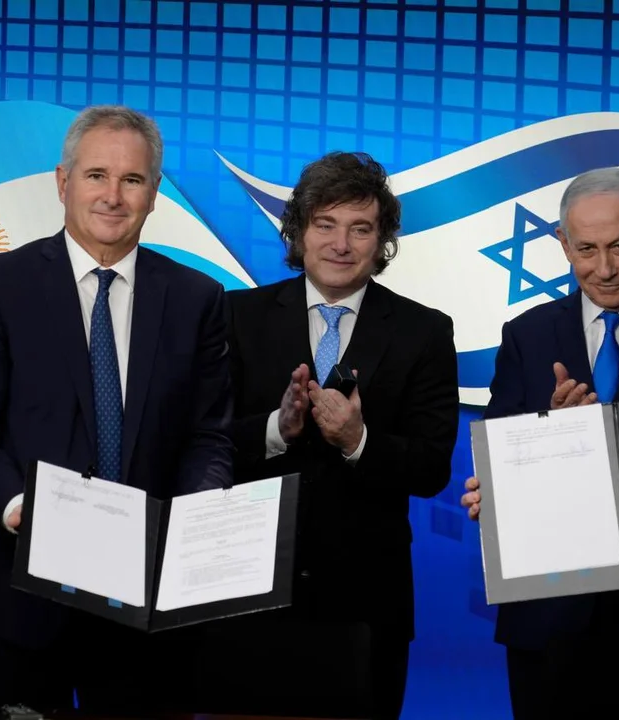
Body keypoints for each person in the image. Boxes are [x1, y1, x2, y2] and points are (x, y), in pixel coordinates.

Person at [0, 105, 234, 714]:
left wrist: (195, 517)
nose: (113, 196)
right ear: (63, 181)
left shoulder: (196, 298)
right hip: (14, 594)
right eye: (97, 174)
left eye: (132, 180)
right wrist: (21, 509)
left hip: (145, 608)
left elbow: (210, 436)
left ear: (154, 193)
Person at [197, 151, 460, 720]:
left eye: (360, 228)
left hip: (366, 607)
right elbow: (201, 441)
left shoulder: (425, 332)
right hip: (244, 593)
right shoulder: (235, 315)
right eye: (325, 224)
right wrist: (278, 428)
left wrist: (358, 440)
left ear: (382, 240)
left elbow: (431, 466)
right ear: (298, 231)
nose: (341, 244)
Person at [460, 167, 619, 718]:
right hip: (548, 621)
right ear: (563, 243)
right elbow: (497, 462)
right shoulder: (526, 335)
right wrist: (548, 438)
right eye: (585, 249)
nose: (603, 269)